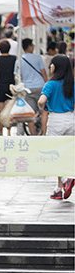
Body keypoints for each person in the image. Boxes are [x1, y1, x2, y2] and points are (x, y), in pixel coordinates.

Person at [38, 55, 75, 200]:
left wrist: (43, 107)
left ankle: (66, 179)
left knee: (54, 154)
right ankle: (59, 188)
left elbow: (41, 101)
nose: (50, 67)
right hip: (71, 119)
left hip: (56, 120)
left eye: (51, 64)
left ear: (56, 67)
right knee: (67, 153)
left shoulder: (50, 84)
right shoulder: (72, 84)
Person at [16, 38, 47, 135]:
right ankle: (43, 133)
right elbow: (43, 73)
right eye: (32, 45)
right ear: (29, 46)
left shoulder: (19, 60)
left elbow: (18, 76)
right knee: (43, 112)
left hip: (27, 89)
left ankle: (33, 136)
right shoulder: (38, 57)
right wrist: (47, 84)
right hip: (40, 87)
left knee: (30, 114)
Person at [0, 39, 17, 115]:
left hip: (1, 85)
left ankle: (0, 127)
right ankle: (8, 127)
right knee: (9, 109)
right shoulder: (14, 58)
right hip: (11, 85)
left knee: (1, 109)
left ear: (0, 49)